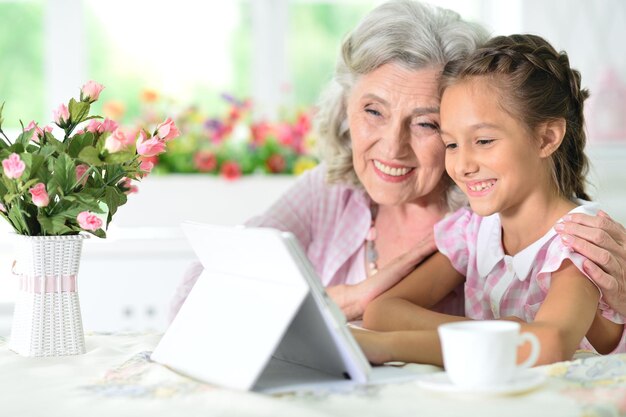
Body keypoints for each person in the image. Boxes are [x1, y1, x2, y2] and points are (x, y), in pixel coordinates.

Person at [170, 0, 626, 323]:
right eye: (373, 111)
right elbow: (192, 299)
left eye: (425, 125)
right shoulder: (330, 194)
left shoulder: (492, 218)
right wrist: (350, 299)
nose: (391, 147)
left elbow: (574, 344)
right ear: (345, 105)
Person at [355, 34, 626, 367]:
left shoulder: (580, 243)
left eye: (483, 140)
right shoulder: (474, 231)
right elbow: (382, 312)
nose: (463, 166)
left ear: (546, 138)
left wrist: (392, 347)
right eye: (452, 145)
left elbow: (550, 344)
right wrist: (496, 333)